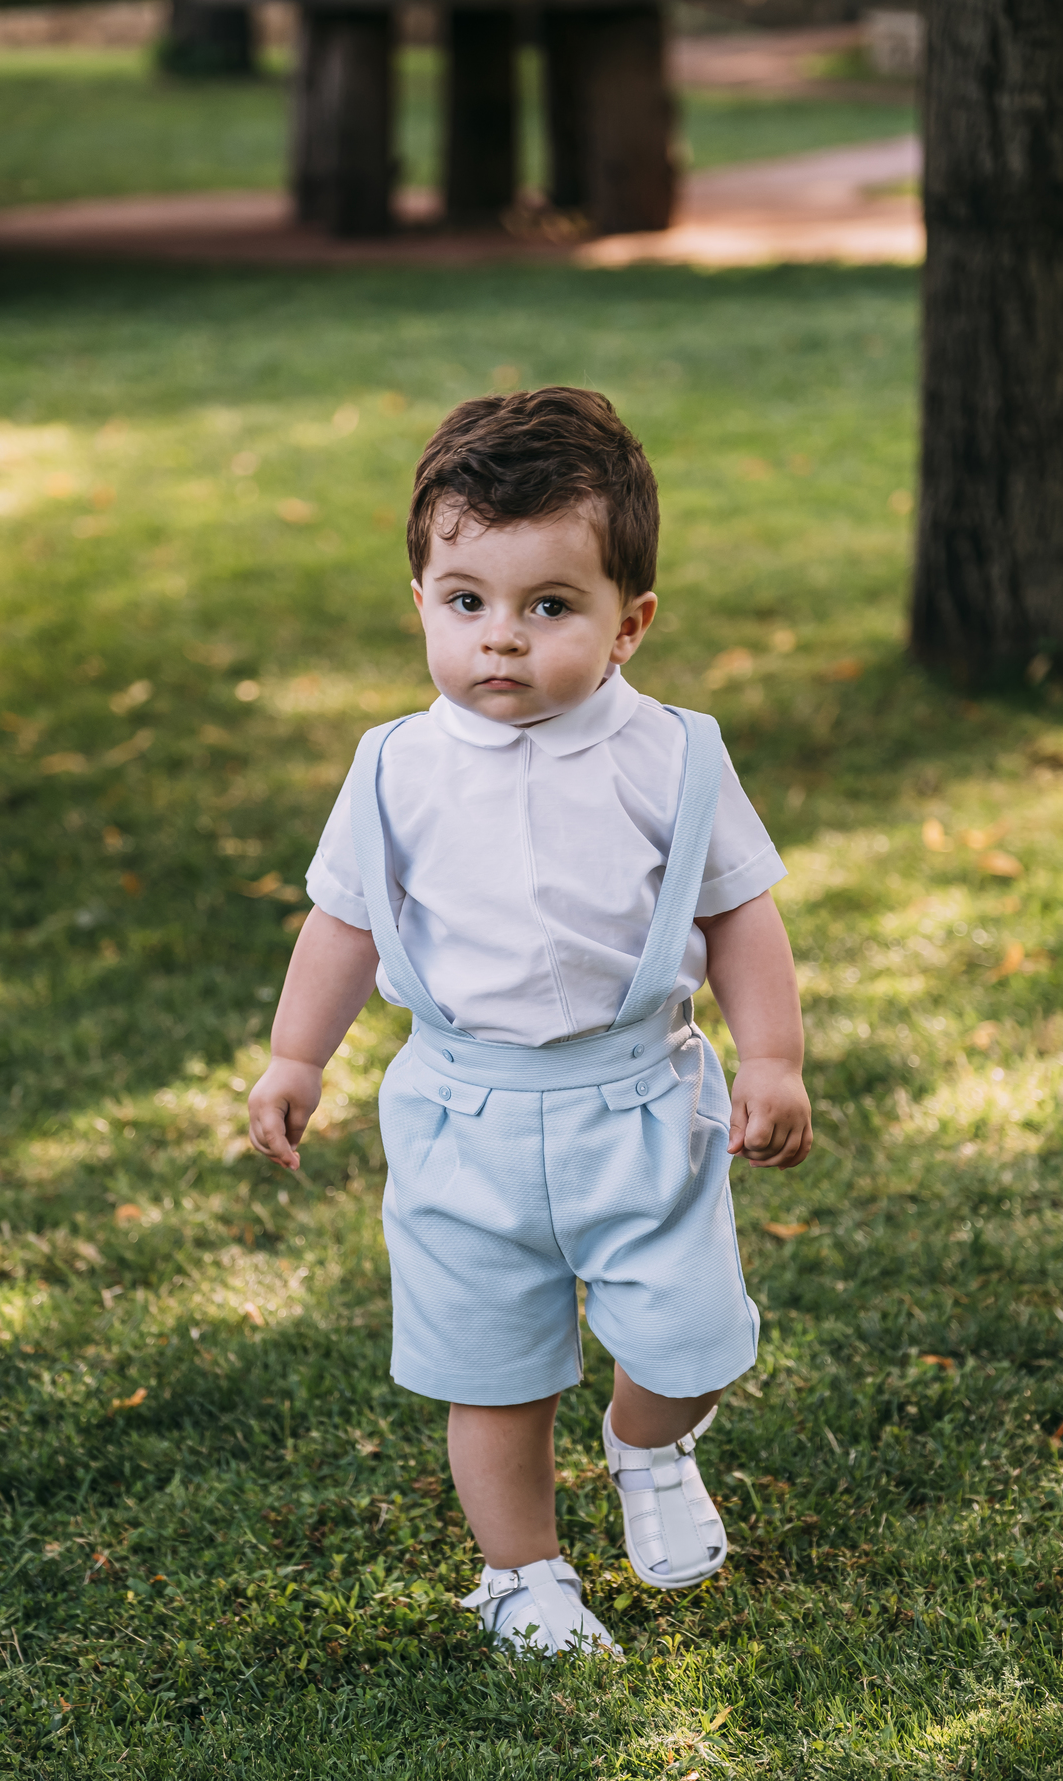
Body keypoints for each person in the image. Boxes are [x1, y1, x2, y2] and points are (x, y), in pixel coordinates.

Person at [249, 387, 812, 1659]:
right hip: (462, 1116)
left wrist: (770, 1057)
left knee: (693, 1341)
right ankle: (526, 1575)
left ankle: (647, 1445)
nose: (501, 640)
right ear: (424, 606)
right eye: (468, 603)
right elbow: (344, 924)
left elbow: (740, 915)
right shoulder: (394, 768)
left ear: (630, 626)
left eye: (549, 607)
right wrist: (298, 1055)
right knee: (492, 1375)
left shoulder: (675, 758)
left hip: (641, 1104)